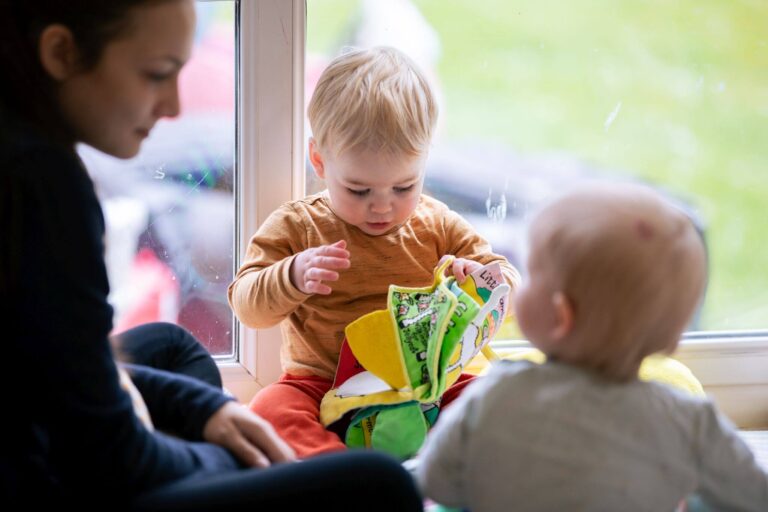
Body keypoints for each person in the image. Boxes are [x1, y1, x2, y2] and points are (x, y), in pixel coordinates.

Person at [0, 1, 424, 510]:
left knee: (172, 348)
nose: (175, 105)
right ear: (61, 52)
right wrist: (247, 464)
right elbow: (112, 457)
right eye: (157, 74)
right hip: (53, 481)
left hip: (58, 431)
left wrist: (205, 411)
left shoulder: (26, 145)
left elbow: (60, 370)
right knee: (382, 483)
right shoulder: (41, 185)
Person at [228, 46, 521, 458]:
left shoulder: (436, 223)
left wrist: (481, 279)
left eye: (404, 187)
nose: (382, 205)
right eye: (359, 190)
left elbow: (508, 285)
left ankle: (434, 466)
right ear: (320, 161)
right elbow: (247, 306)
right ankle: (344, 472)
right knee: (269, 412)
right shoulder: (297, 225)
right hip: (320, 385)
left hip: (425, 384)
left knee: (495, 399)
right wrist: (291, 276)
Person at [416, 184, 768, 511]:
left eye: (533, 274)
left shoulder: (497, 393)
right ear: (672, 339)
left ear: (560, 315)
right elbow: (754, 495)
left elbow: (436, 482)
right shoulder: (688, 422)